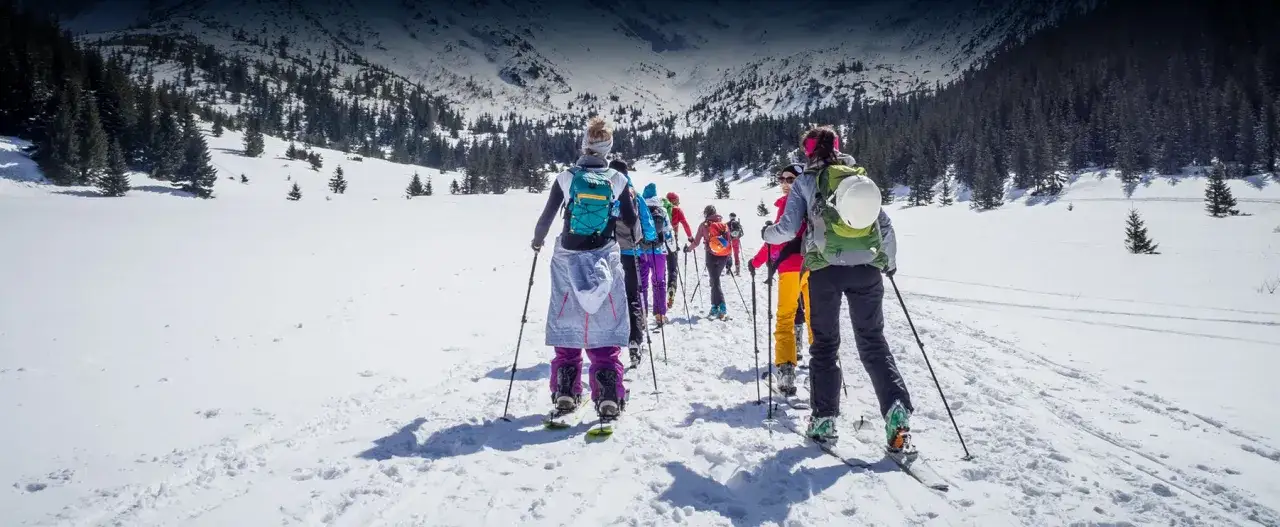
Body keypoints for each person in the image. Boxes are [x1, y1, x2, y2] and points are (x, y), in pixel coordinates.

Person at [761, 125, 914, 452]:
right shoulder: (857, 178)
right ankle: (896, 412)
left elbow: (787, 229)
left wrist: (765, 234)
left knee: (826, 345)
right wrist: (888, 262)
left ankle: (824, 420)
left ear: (808, 151)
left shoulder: (805, 181)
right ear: (839, 148)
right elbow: (883, 224)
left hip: (825, 271)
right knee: (873, 342)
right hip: (867, 270)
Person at [531, 117, 637, 424]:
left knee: (568, 317)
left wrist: (537, 242)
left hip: (567, 257)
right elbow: (630, 220)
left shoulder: (566, 177)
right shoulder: (618, 179)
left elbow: (547, 217)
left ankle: (565, 390)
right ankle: (608, 395)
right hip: (604, 256)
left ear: (584, 144)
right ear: (608, 148)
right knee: (605, 319)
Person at [748, 163, 812, 396]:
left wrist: (755, 262)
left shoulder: (789, 204)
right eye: (782, 179)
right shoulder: (814, 202)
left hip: (791, 267)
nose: (785, 183)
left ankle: (786, 370)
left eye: (791, 179)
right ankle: (820, 369)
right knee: (815, 318)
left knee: (785, 317)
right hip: (813, 267)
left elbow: (776, 239)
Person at [609, 159, 656, 368]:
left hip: (608, 252)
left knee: (610, 299)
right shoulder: (634, 193)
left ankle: (609, 348)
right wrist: (649, 238)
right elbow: (647, 223)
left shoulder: (605, 189)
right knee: (632, 298)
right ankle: (635, 342)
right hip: (631, 252)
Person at [685, 204, 733, 319]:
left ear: (706, 214)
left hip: (711, 255)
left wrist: (688, 249)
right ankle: (715, 306)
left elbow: (696, 242)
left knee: (715, 281)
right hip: (723, 256)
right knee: (714, 280)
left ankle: (721, 306)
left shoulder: (704, 225)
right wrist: (730, 257)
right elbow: (728, 241)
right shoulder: (724, 225)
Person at [637, 183, 670, 326]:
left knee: (642, 284)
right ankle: (660, 314)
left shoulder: (639, 209)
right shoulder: (662, 210)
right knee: (659, 283)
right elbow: (668, 230)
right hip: (658, 251)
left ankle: (642, 316)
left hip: (641, 251)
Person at [662, 192, 693, 308]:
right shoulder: (677, 210)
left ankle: (661, 291)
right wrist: (690, 238)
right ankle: (671, 287)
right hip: (672, 243)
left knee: (661, 269)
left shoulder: (660, 209)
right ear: (674, 200)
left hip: (659, 243)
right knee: (672, 268)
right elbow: (685, 224)